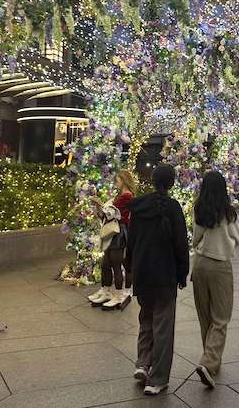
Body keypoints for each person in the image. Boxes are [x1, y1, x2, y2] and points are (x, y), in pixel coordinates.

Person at [126, 164, 189, 396]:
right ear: (171, 183)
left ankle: (142, 363)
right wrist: (182, 275)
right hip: (164, 275)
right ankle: (158, 378)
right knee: (163, 326)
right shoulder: (172, 208)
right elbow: (181, 245)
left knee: (146, 319)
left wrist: (131, 268)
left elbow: (131, 242)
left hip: (143, 274)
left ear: (152, 181)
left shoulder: (139, 208)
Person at [191, 171, 239, 389]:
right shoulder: (229, 212)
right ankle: (208, 362)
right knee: (221, 318)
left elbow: (195, 238)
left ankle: (211, 361)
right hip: (221, 266)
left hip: (201, 265)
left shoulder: (199, 209)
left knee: (205, 316)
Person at [88, 170, 136, 310]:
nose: (116, 183)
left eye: (117, 180)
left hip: (118, 233)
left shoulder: (127, 196)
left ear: (124, 180)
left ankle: (119, 294)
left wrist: (100, 203)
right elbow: (107, 215)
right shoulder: (120, 195)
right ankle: (107, 290)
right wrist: (100, 207)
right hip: (115, 232)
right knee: (106, 263)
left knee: (115, 264)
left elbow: (113, 213)